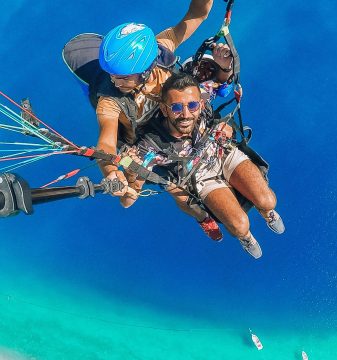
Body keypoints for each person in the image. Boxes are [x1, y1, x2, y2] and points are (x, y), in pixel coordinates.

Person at [63, 0, 234, 241]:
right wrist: (112, 172)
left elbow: (196, 14)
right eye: (111, 75)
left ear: (145, 70)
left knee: (220, 132)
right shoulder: (109, 101)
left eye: (122, 77)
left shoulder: (160, 50)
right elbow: (106, 142)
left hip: (175, 123)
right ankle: (201, 217)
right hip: (146, 145)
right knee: (154, 194)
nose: (114, 82)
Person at [122, 73, 285, 259]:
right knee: (240, 226)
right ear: (164, 109)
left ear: (200, 104)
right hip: (200, 178)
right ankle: (246, 237)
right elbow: (127, 201)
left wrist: (224, 63)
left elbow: (224, 80)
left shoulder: (203, 100)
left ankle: (267, 212)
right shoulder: (150, 144)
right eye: (176, 108)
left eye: (192, 106)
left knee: (268, 201)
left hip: (223, 155)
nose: (185, 115)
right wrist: (129, 168)